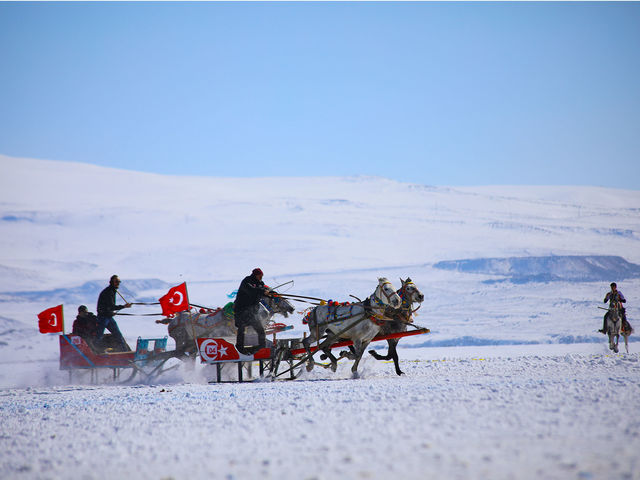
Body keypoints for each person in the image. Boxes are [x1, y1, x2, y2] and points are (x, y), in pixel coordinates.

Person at [234, 268, 270, 355]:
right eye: (260, 276)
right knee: (242, 329)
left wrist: (271, 293)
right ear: (255, 275)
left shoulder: (260, 284)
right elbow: (251, 290)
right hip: (241, 311)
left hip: (253, 312)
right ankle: (240, 348)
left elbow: (265, 290)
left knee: (260, 330)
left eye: (262, 276)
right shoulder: (247, 281)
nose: (261, 277)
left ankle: (261, 347)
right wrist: (262, 291)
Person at [96, 275, 132, 351]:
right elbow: (111, 306)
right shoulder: (108, 292)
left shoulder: (113, 291)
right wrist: (124, 306)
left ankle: (125, 352)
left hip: (108, 317)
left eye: (119, 282)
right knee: (99, 336)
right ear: (111, 282)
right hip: (103, 318)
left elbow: (109, 307)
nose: (118, 283)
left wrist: (111, 313)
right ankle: (96, 353)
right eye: (116, 282)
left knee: (118, 335)